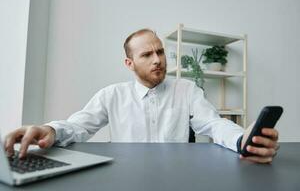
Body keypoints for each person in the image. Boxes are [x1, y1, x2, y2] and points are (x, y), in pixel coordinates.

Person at [4, 29, 279, 163]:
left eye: (159, 52)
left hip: (178, 181)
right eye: (147, 54)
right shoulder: (111, 94)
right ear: (129, 63)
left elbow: (214, 124)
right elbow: (78, 126)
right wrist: (49, 129)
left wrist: (242, 138)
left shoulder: (187, 90)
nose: (157, 60)